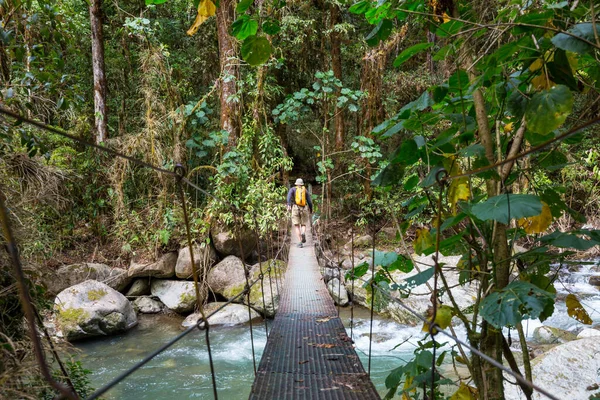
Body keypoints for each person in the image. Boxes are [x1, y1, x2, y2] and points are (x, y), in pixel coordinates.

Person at [286, 178, 313, 248]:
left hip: (295, 208)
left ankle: (300, 241)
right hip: (304, 208)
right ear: (302, 184)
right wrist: (311, 209)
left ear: (296, 184)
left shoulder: (292, 189)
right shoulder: (305, 190)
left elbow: (288, 197)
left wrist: (288, 204)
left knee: (296, 225)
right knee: (303, 224)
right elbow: (309, 201)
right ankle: (303, 233)